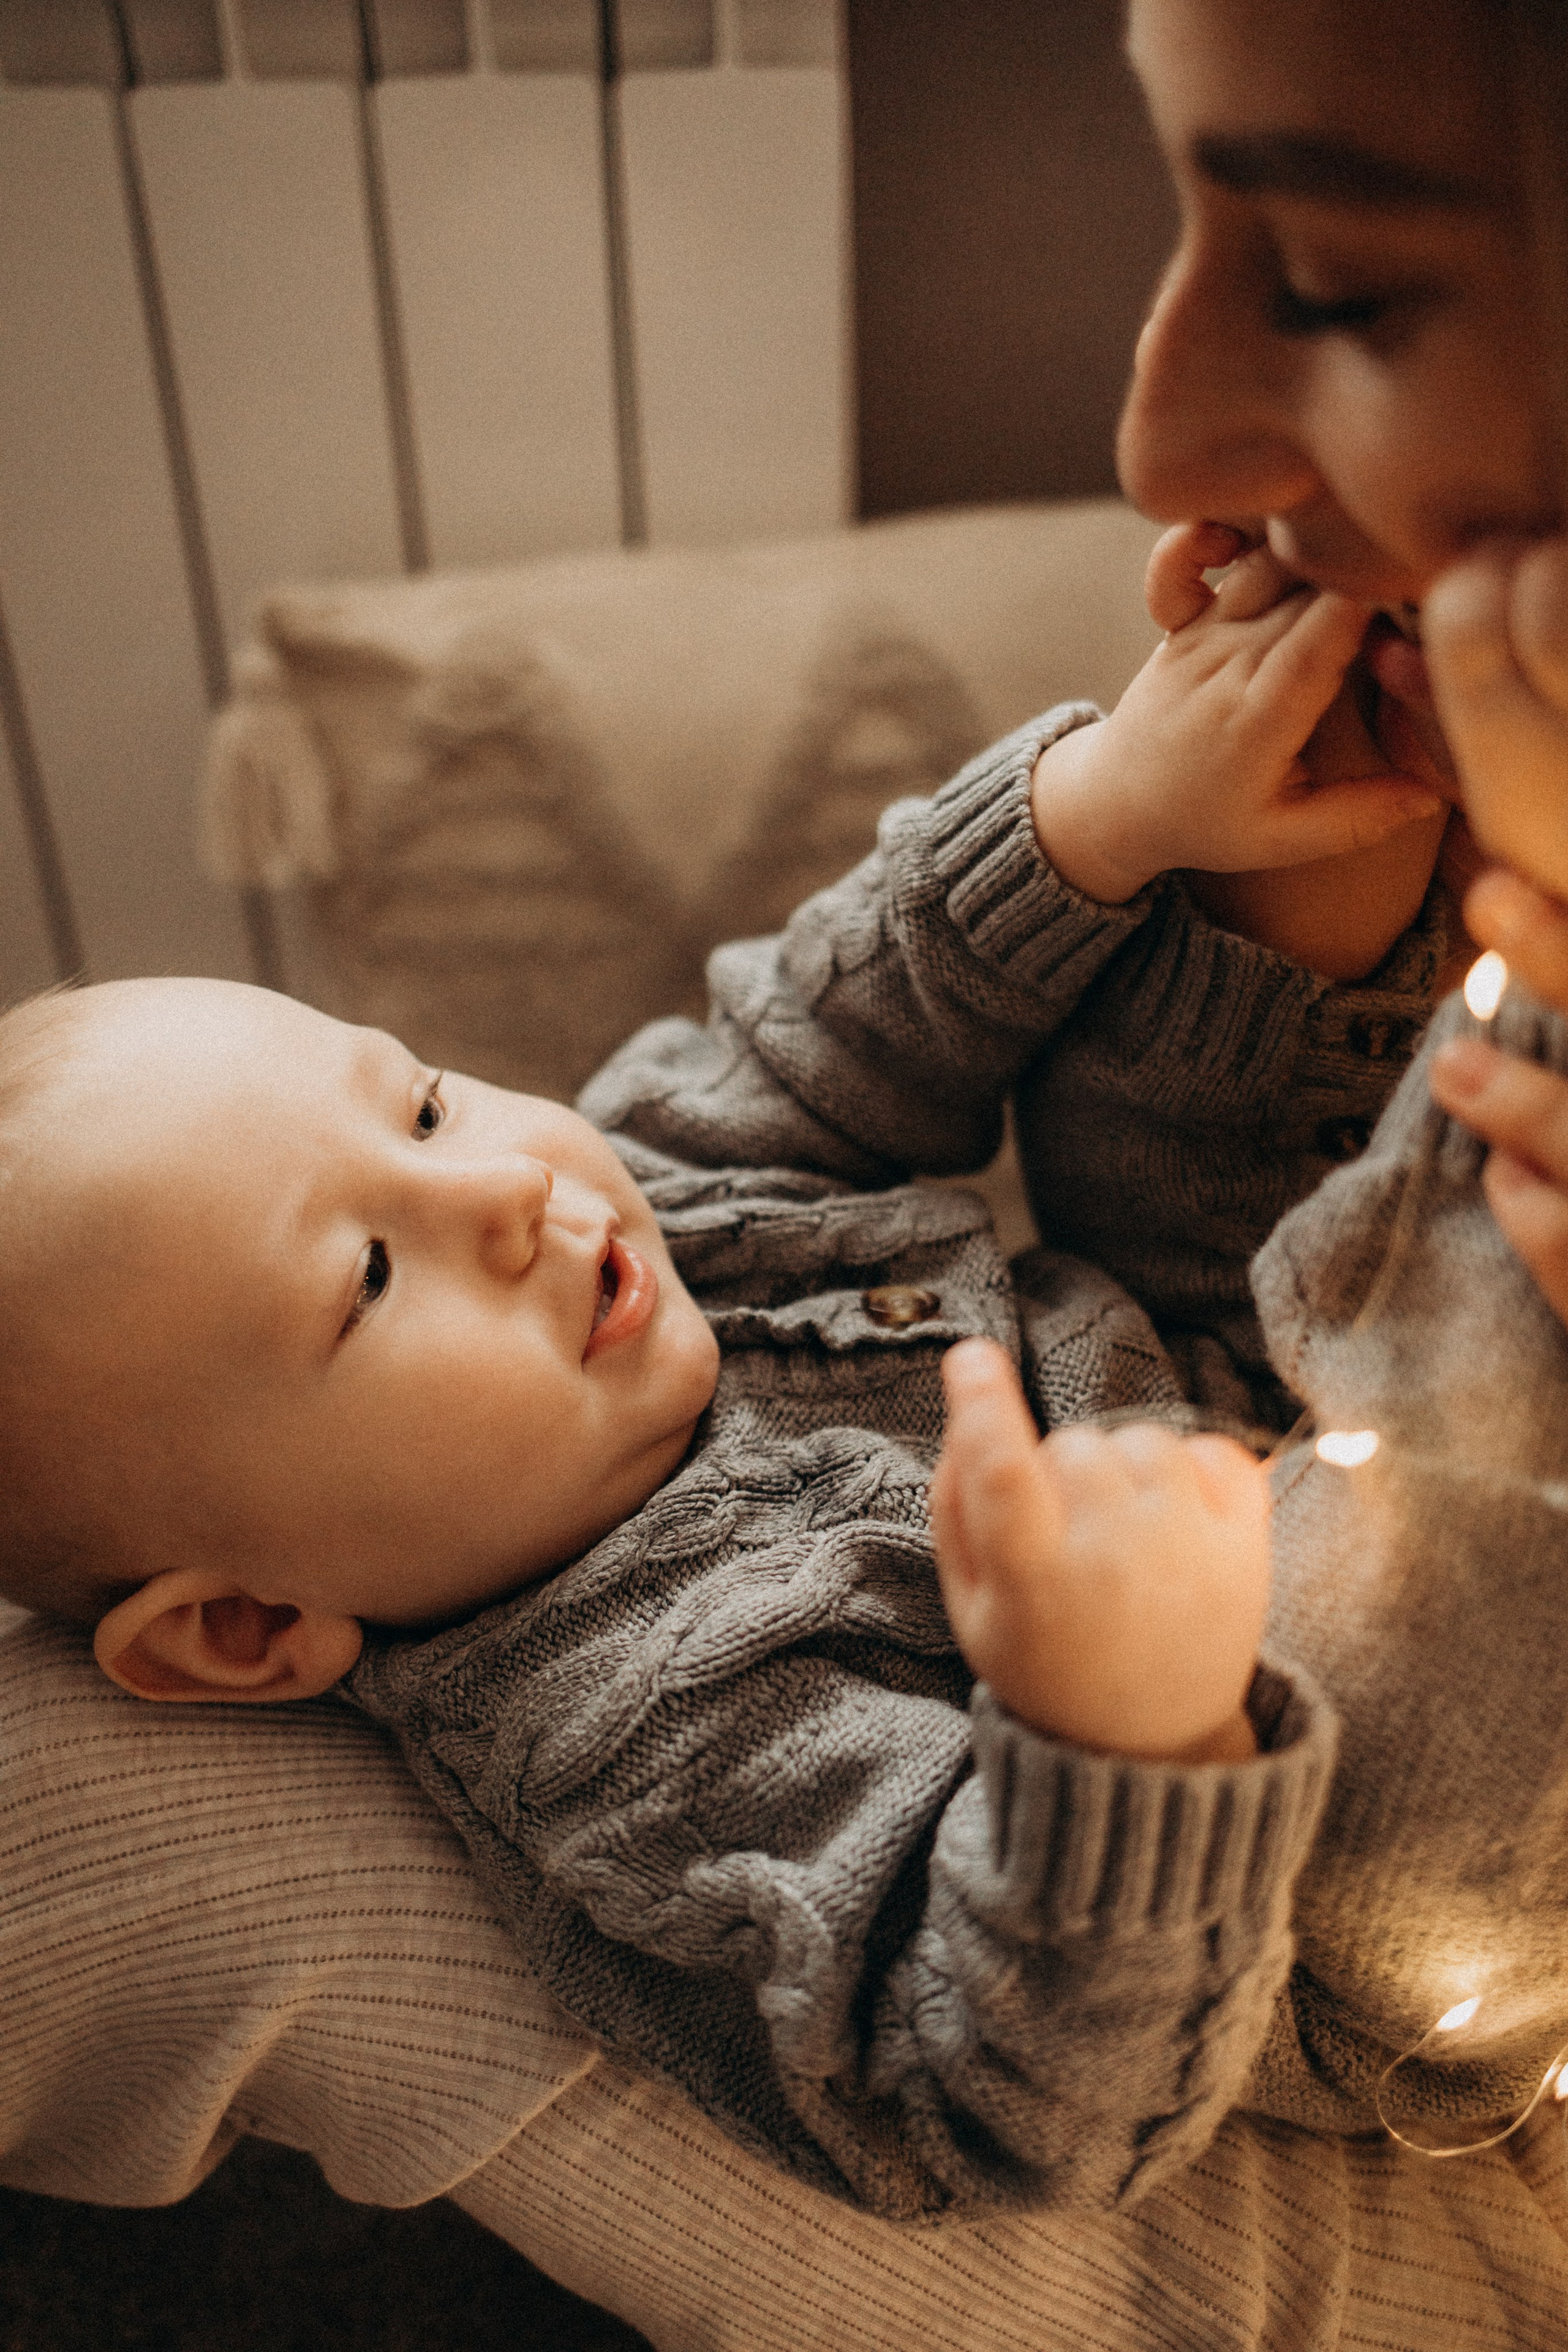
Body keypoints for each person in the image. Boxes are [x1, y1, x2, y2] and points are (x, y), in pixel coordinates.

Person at [5, 0, 1568, 2341]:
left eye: (419, 1099)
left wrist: (1107, 809)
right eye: (362, 1283)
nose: (511, 1192)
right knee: (1378, 1583)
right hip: (1340, 1880)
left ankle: (1356, 789)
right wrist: (1108, 1732)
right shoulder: (635, 1733)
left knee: (1195, 932)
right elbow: (1003, 2104)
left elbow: (832, 1022)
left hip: (1193, 1348)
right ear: (249, 1626)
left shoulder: (615, 1203)